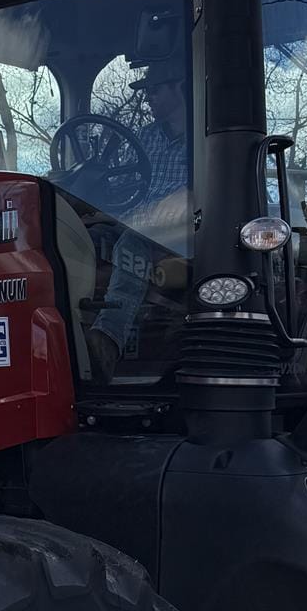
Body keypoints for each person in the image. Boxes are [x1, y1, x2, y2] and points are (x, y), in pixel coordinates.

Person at [84, 53, 192, 379]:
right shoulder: (145, 137)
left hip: (180, 234)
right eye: (146, 91)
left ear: (181, 87)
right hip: (134, 220)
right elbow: (123, 186)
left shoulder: (205, 139)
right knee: (74, 238)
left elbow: (215, 188)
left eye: (156, 89)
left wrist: (190, 193)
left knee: (131, 243)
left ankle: (108, 341)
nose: (148, 97)